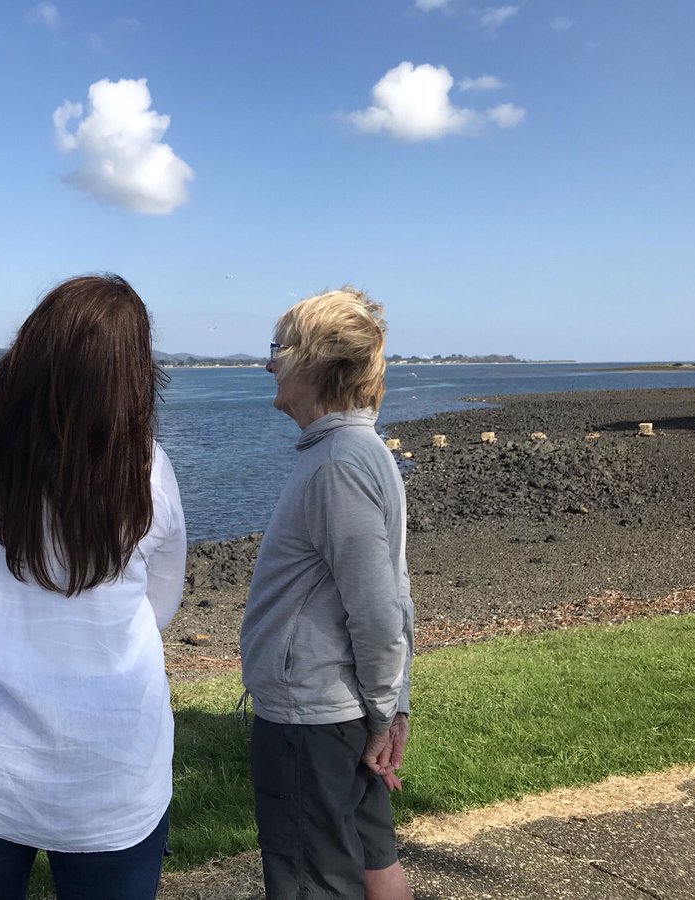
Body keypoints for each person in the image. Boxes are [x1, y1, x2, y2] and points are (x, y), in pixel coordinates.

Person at [0, 274, 187, 900]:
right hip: (113, 773)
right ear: (133, 380)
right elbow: (160, 605)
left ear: (25, 353)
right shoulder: (147, 471)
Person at [239, 287, 414, 900]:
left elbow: (376, 607)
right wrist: (392, 707)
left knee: (311, 880)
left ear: (315, 361)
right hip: (339, 708)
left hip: (313, 714)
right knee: (372, 860)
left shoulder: (339, 461)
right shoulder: (352, 451)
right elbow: (395, 592)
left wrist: (387, 711)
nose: (267, 363)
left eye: (277, 348)